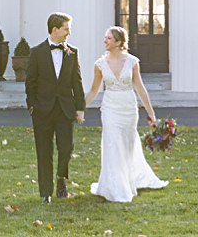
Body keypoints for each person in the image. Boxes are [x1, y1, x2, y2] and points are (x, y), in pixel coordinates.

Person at [84, 25, 169, 203]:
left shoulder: (132, 62)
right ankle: (116, 187)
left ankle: (129, 179)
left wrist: (151, 115)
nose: (104, 40)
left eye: (108, 38)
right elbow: (93, 91)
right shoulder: (99, 65)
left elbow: (140, 88)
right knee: (112, 144)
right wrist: (78, 107)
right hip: (110, 108)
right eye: (105, 37)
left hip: (128, 108)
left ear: (119, 42)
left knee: (127, 146)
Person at [24, 12, 85, 203]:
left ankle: (61, 179)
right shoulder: (36, 52)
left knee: (66, 148)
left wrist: (80, 108)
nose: (69, 32)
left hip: (65, 109)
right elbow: (30, 83)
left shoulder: (72, 52)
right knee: (44, 151)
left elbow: (77, 81)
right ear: (55, 29)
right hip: (42, 111)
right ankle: (45, 193)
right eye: (66, 28)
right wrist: (32, 107)